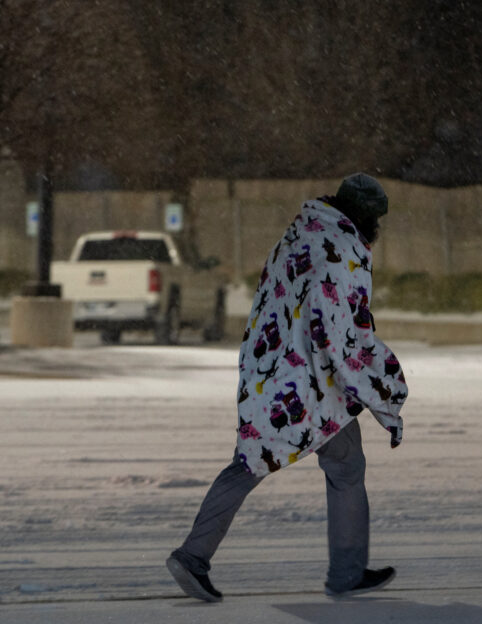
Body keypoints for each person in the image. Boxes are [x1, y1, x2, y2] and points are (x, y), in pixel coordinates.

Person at [166, 173, 409, 601]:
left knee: (253, 461)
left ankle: (193, 556)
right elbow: (341, 330)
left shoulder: (300, 233)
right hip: (313, 384)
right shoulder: (343, 250)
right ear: (368, 219)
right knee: (343, 467)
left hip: (270, 369)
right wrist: (382, 380)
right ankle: (346, 572)